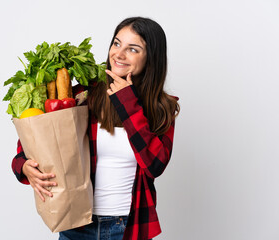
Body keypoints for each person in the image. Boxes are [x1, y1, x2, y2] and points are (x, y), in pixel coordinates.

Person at [11, 16, 180, 240]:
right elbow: (39, 139)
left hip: (128, 227)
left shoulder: (163, 108)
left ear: (151, 58)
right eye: (117, 43)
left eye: (133, 49)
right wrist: (23, 166)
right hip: (77, 225)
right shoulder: (85, 94)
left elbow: (155, 165)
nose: (119, 54)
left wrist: (128, 102)